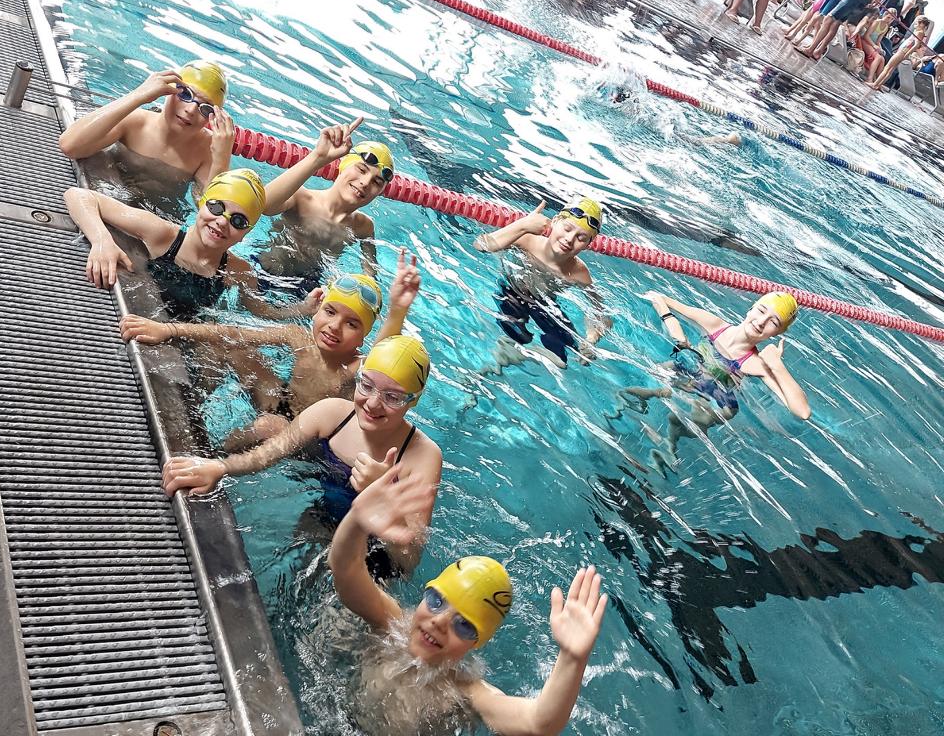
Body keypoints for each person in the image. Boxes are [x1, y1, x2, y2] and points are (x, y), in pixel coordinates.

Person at [326, 461, 608, 735]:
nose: (440, 622)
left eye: (464, 625)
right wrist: (357, 520)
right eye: (437, 601)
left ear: (477, 642)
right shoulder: (390, 622)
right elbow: (346, 569)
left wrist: (572, 659)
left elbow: (538, 723)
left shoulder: (464, 693)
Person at [161, 335, 439, 569]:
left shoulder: (423, 456)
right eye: (366, 385)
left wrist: (384, 497)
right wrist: (220, 467)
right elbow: (270, 452)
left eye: (392, 397)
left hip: (376, 553)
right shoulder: (331, 413)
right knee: (291, 570)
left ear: (414, 400)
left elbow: (408, 558)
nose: (373, 403)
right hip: (323, 517)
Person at [121, 249, 421, 450]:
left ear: (364, 335)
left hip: (310, 436)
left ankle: (210, 455)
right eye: (330, 312)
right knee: (228, 346)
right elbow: (233, 333)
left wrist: (398, 310)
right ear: (316, 310)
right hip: (281, 399)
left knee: (267, 426)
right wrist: (168, 329)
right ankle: (192, 408)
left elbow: (383, 359)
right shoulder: (298, 336)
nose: (333, 327)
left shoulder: (355, 368)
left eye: (352, 324)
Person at [65, 168, 283, 321]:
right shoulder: (162, 235)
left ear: (245, 234)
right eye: (216, 207)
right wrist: (102, 241)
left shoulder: (238, 270)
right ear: (201, 205)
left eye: (238, 221)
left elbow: (261, 311)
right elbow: (78, 196)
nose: (222, 221)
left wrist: (303, 309)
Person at [621, 291, 810, 456]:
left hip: (718, 399)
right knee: (660, 370)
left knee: (686, 420)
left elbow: (802, 411)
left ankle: (672, 440)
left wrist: (777, 366)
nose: (761, 322)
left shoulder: (756, 364)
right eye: (761, 311)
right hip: (692, 374)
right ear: (751, 308)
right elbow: (659, 298)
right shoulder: (714, 324)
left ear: (777, 333)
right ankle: (650, 402)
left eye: (773, 322)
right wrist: (673, 325)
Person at [59, 61, 234, 212]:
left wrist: (222, 157)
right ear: (169, 89)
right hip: (107, 195)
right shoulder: (135, 122)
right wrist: (139, 95)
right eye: (185, 94)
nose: (190, 110)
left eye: (206, 109)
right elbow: (69, 145)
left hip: (160, 217)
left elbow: (210, 213)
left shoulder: (207, 150)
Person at [250, 117, 394, 298]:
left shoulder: (363, 226)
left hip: (310, 288)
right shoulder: (301, 198)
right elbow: (262, 204)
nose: (365, 183)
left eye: (377, 182)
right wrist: (318, 157)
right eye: (361, 169)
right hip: (264, 274)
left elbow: (370, 277)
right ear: (343, 167)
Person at [474, 198, 612, 370]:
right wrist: (523, 225)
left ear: (588, 245)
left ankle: (529, 355)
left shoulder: (579, 273)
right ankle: (494, 365)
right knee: (517, 336)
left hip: (545, 304)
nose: (569, 239)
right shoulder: (527, 240)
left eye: (581, 238)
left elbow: (601, 313)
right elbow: (480, 245)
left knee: (565, 357)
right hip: (514, 293)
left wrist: (591, 339)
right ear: (554, 221)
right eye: (567, 228)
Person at [869, 15, 931, 90]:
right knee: (890, 69)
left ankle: (875, 84)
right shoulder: (919, 32)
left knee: (887, 67)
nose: (915, 24)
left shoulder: (919, 32)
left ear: (921, 24)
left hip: (903, 51)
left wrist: (907, 54)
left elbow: (916, 45)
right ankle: (878, 85)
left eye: (917, 22)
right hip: (903, 51)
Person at [855, 7, 898, 81]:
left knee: (882, 59)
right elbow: (866, 35)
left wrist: (880, 49)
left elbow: (878, 41)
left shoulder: (886, 27)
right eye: (888, 17)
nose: (889, 20)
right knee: (878, 58)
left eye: (892, 19)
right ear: (885, 15)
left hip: (872, 44)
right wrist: (874, 46)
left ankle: (877, 81)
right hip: (865, 41)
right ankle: (870, 78)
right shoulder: (877, 22)